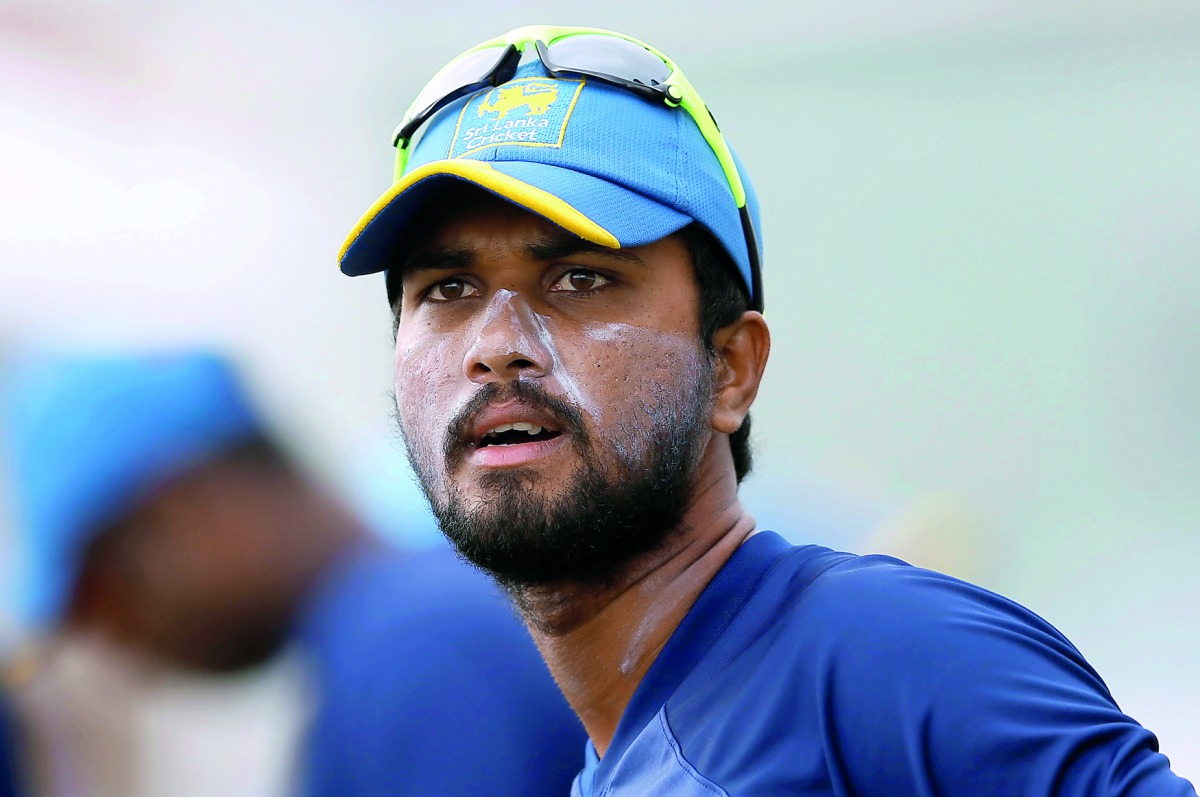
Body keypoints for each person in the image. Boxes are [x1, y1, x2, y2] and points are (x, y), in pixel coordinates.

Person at [336, 24, 1198, 796]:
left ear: (731, 369)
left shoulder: (883, 658)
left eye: (579, 278)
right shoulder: (624, 762)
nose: (496, 343)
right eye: (447, 288)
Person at [0, 351, 584, 797]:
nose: (114, 642)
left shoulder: (415, 648)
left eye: (103, 597)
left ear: (190, 513)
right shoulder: (397, 624)